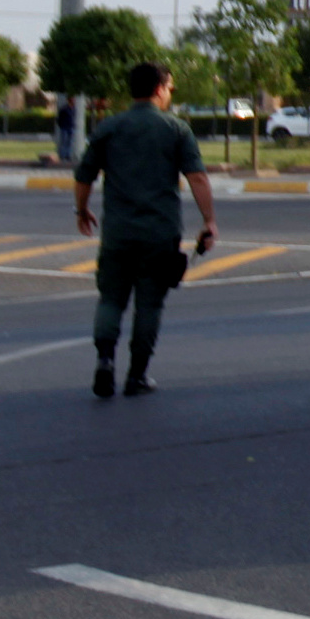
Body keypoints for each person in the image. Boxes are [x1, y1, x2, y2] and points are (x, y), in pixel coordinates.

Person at [72, 60, 216, 399]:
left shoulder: (109, 128)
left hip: (118, 233)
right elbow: (197, 177)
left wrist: (81, 210)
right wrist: (209, 220)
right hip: (159, 234)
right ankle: (137, 375)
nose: (169, 94)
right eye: (169, 87)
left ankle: (105, 361)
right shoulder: (176, 129)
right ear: (158, 89)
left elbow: (83, 176)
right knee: (149, 305)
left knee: (110, 300)